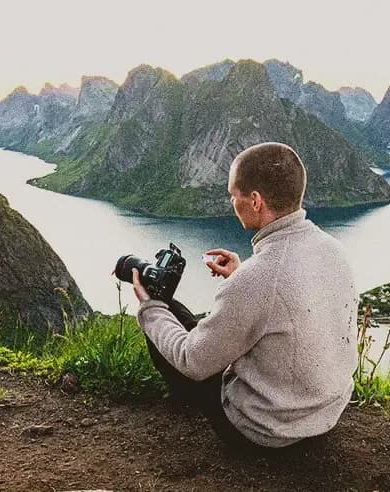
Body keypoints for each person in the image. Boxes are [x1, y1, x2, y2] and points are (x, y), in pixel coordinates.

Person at [131, 142, 359, 450]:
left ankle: (186, 405)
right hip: (324, 418)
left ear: (254, 201)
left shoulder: (257, 278)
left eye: (233, 194)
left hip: (266, 434)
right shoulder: (334, 250)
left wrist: (150, 307)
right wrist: (242, 274)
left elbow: (191, 361)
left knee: (165, 312)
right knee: (181, 319)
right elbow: (284, 295)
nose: (231, 201)